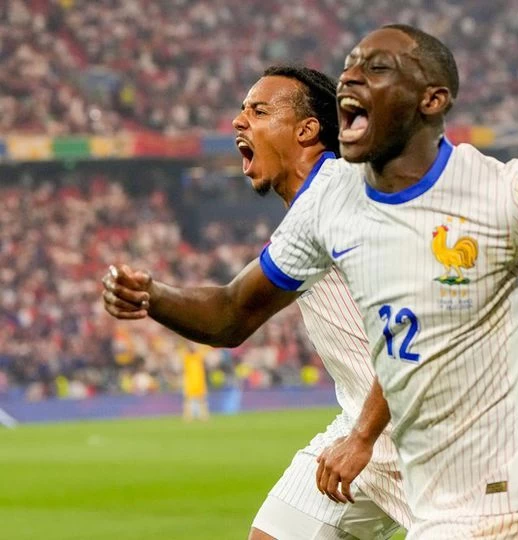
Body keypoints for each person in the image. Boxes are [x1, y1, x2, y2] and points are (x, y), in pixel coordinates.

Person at [105, 25, 518, 538]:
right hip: (373, 433)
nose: (352, 77)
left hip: (488, 479)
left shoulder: (501, 194)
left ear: (431, 99)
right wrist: (150, 295)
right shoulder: (327, 205)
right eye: (350, 66)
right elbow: (232, 313)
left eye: (376, 67)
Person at [103, 65, 411, 539]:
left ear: (307, 130)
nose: (238, 121)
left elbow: (423, 319)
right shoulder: (311, 211)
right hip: (367, 423)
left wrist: (365, 435)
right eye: (242, 110)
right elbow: (231, 315)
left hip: (436, 432)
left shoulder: (350, 197)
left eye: (260, 111)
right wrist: (151, 295)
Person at [180, 342, 210, 421]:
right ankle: (187, 416)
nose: (193, 347)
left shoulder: (199, 356)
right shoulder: (186, 357)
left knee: (202, 399)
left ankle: (204, 416)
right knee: (188, 400)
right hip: (189, 381)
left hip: (199, 381)